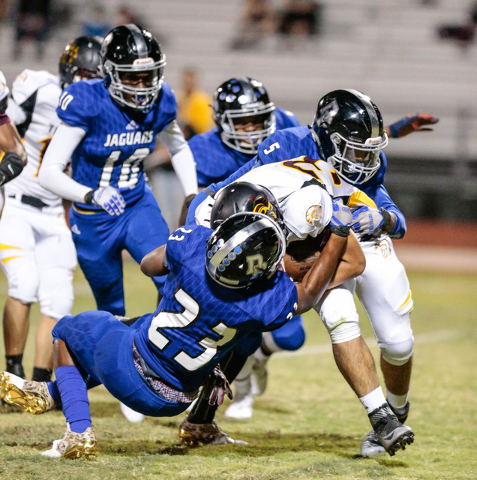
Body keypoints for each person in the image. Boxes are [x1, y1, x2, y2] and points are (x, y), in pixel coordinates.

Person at [0, 206, 357, 459]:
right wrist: (339, 231)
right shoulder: (262, 300)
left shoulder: (193, 246)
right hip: (179, 399)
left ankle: (77, 429)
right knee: (223, 336)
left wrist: (185, 252)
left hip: (131, 368)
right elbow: (308, 294)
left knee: (68, 331)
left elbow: (147, 264)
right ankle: (50, 392)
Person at [185, 89, 423, 457]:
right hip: (316, 244)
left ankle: (395, 411)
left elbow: (393, 215)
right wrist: (197, 231)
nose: (364, 160)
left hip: (363, 237)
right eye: (355, 149)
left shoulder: (367, 161)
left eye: (368, 150)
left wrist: (385, 218)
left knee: (398, 342)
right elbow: (231, 190)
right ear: (327, 139)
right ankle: (383, 421)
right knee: (338, 318)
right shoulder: (287, 147)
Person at [38, 25, 198, 318]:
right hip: (92, 220)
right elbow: (48, 172)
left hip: (137, 205)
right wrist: (91, 194)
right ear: (110, 73)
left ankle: (165, 356)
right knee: (111, 308)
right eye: (131, 78)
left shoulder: (161, 101)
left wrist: (191, 193)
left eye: (147, 77)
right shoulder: (88, 102)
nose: (141, 87)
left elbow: (179, 147)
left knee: (174, 281)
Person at [0, 37, 102, 384]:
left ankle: (40, 383)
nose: (89, 82)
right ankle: (13, 375)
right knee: (24, 283)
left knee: (59, 299)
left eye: (96, 76)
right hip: (16, 202)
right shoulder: (39, 88)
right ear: (68, 70)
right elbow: (5, 128)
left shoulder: (102, 108)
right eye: (85, 74)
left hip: (54, 212)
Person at [176, 68, 214, 136]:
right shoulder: (178, 98)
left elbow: (202, 126)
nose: (188, 85)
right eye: (186, 82)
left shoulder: (203, 100)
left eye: (190, 82)